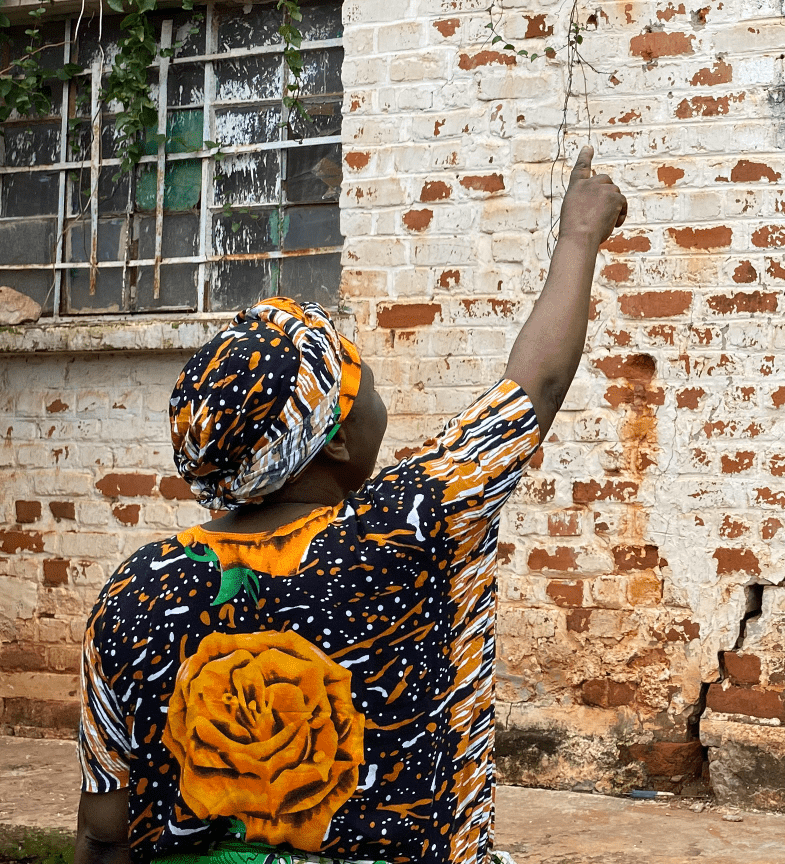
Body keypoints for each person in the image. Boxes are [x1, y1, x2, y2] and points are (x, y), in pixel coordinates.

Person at [74, 148, 626, 864]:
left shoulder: (135, 590)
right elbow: (535, 388)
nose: (373, 388)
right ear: (331, 441)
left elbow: (103, 828)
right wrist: (579, 237)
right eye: (356, 370)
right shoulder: (412, 527)